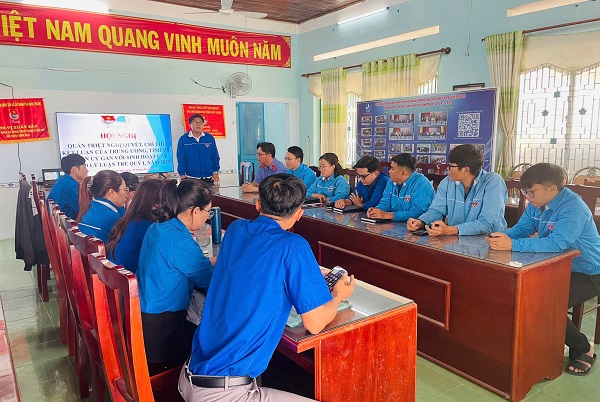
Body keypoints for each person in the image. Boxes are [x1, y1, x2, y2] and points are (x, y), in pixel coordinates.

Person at [180, 174, 355, 402]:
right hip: (223, 393)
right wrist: (339, 295)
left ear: (258, 204)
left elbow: (255, 266)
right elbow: (315, 323)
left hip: (191, 374)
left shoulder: (236, 229)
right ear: (299, 214)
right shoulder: (293, 246)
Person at [487, 163, 600, 376]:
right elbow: (523, 228)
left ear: (552, 188)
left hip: (589, 271)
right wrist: (502, 237)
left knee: (547, 305)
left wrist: (512, 245)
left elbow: (557, 243)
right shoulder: (536, 203)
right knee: (523, 294)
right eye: (525, 191)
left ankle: (583, 348)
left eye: (531, 192)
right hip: (555, 265)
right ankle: (534, 344)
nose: (527, 197)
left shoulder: (573, 208)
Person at [137, 178, 215, 369]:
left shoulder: (158, 228)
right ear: (195, 211)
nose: (207, 217)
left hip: (144, 322)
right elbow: (211, 281)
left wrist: (207, 263)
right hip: (163, 336)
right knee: (217, 339)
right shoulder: (180, 241)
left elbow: (186, 264)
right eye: (208, 212)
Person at [407, 144, 507, 236]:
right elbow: (436, 210)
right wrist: (421, 221)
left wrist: (450, 230)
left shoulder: (493, 182)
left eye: (451, 166)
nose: (447, 169)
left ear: (465, 170)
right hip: (455, 241)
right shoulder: (447, 182)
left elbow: (487, 224)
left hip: (489, 243)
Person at [105, 179, 165, 274]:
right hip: (130, 279)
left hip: (117, 277)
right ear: (155, 203)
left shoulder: (129, 220)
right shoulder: (148, 227)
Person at [366, 153, 434, 221]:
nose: (389, 171)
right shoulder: (391, 181)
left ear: (403, 173)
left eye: (392, 169)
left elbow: (418, 213)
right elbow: (385, 203)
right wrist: (376, 211)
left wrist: (388, 215)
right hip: (394, 224)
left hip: (414, 225)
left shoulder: (422, 183)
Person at [77, 170, 127, 243]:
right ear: (111, 193)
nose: (126, 194)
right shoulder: (112, 218)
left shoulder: (94, 206)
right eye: (125, 190)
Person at [177, 113, 220, 185]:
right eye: (195, 122)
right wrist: (182, 174)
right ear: (190, 125)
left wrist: (215, 171)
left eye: (200, 122)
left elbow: (215, 156)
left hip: (208, 177)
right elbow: (181, 157)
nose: (198, 125)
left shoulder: (209, 138)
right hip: (190, 177)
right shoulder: (184, 139)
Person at [47, 153, 88, 220]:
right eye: (84, 167)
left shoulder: (64, 181)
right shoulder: (69, 186)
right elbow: (86, 207)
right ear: (75, 170)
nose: (87, 170)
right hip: (67, 223)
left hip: (61, 221)